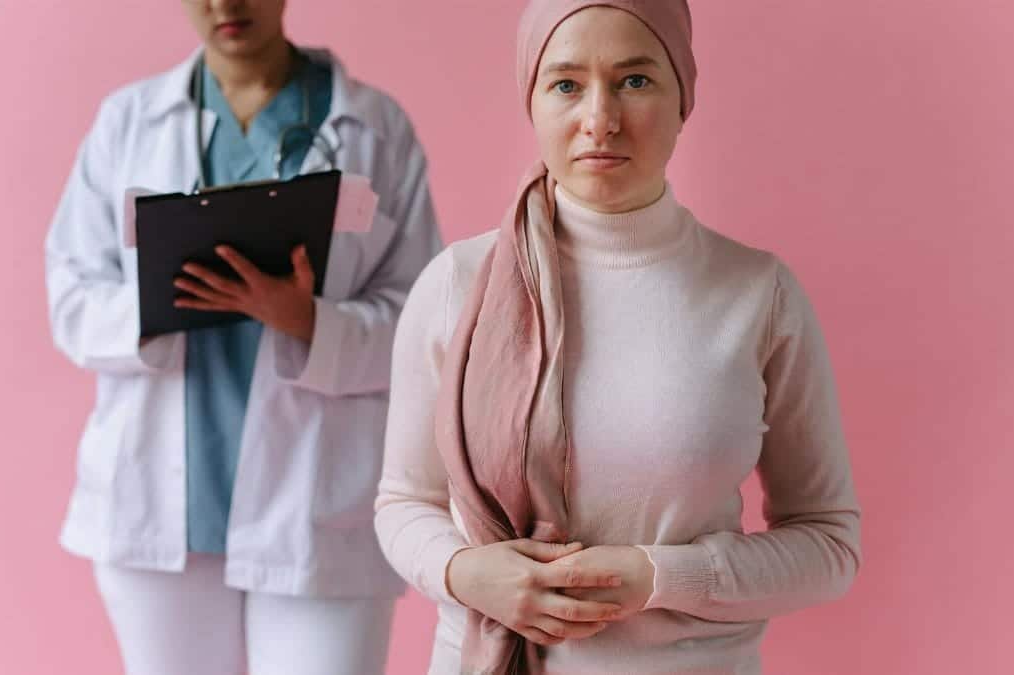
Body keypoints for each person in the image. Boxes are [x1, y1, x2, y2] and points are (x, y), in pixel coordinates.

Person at [374, 1, 862, 673]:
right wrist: (464, 571)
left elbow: (829, 543)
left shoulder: (758, 294)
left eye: (635, 80)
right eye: (567, 84)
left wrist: (659, 575)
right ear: (533, 99)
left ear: (683, 96)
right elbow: (403, 500)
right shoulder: (457, 284)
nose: (599, 119)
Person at [45, 1, 440, 673]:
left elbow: (423, 318)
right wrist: (162, 299)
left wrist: (307, 321)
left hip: (318, 507)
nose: (226, 4)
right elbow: (72, 296)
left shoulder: (375, 126)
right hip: (161, 506)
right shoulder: (128, 122)